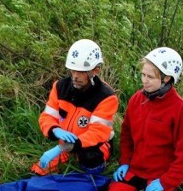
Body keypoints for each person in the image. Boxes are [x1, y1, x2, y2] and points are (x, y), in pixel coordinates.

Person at [105, 47, 183, 191]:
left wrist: (166, 182)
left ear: (167, 79)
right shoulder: (136, 99)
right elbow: (126, 135)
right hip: (135, 169)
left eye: (150, 77)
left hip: (160, 175)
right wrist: (124, 162)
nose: (144, 81)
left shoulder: (179, 109)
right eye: (143, 75)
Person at [31, 39, 119, 175]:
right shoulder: (60, 87)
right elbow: (47, 116)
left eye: (82, 72)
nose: (75, 76)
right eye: (73, 70)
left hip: (93, 146)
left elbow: (97, 133)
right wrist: (54, 130)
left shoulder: (106, 96)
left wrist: (61, 148)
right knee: (37, 172)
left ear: (96, 70)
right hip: (66, 145)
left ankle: (92, 174)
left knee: (89, 159)